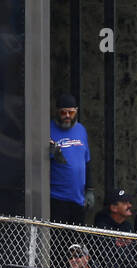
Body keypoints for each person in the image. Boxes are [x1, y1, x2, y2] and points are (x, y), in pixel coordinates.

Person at [49, 93, 90, 226]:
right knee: (58, 241)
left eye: (71, 113)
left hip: (78, 199)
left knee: (75, 242)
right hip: (56, 198)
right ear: (57, 112)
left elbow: (87, 161)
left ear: (76, 111)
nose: (67, 116)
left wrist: (90, 190)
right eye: (63, 113)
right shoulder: (47, 129)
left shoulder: (81, 130)